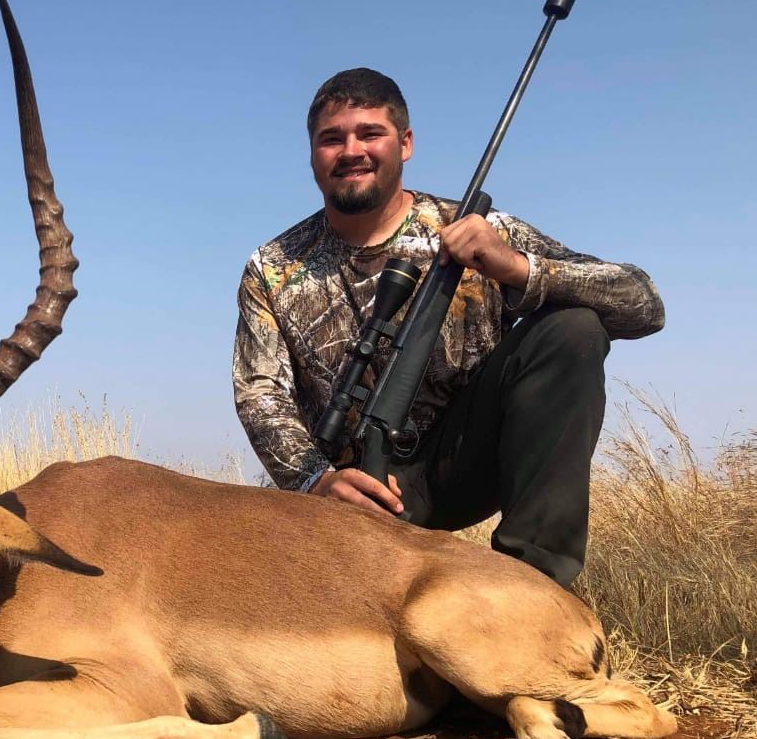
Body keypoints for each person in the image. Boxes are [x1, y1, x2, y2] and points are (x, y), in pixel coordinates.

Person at [232, 68, 663, 587]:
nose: (351, 151)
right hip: (350, 496)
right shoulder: (272, 266)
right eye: (331, 139)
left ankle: (535, 586)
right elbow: (260, 393)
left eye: (370, 133)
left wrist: (518, 269)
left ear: (405, 143)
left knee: (573, 329)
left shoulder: (479, 231)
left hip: (467, 463)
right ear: (312, 155)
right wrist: (314, 480)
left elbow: (644, 303)